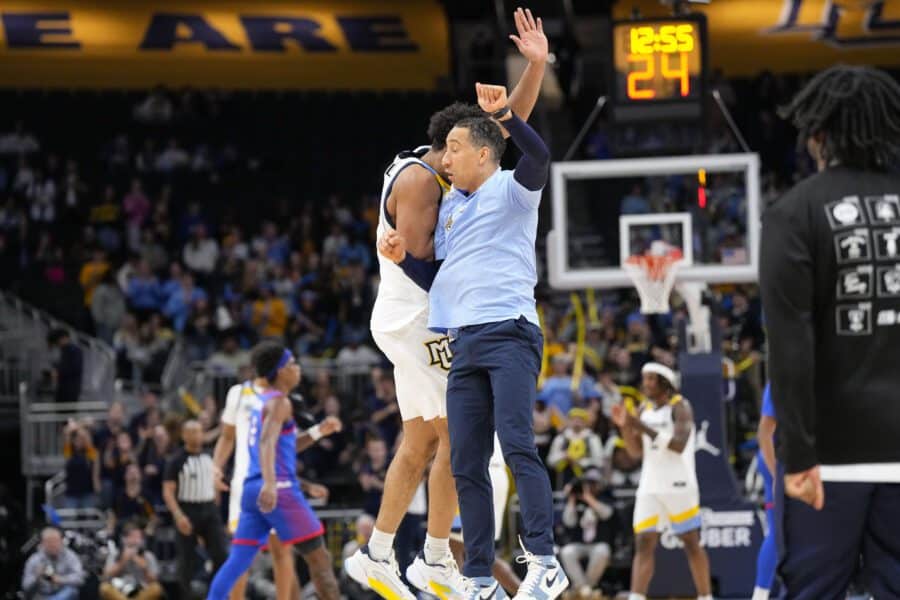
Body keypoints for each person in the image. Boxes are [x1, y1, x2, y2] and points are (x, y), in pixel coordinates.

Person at [345, 8, 549, 599]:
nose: (481, 157)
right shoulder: (418, 183)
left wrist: (533, 65)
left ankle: (380, 554)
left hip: (412, 318)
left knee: (423, 439)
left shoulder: (452, 168)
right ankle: (434, 557)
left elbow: (508, 130)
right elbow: (431, 271)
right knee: (466, 441)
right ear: (448, 150)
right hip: (417, 316)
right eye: (468, 147)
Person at [378, 81, 566, 599]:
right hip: (465, 342)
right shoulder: (452, 210)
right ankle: (479, 575)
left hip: (510, 332)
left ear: (484, 154)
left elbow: (539, 151)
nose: (447, 159)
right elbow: (436, 275)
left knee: (516, 443)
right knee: (465, 461)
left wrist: (506, 111)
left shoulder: (513, 188)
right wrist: (402, 259)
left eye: (456, 149)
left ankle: (545, 562)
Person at [759, 65, 900, 599]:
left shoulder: (793, 213)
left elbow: (791, 349)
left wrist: (798, 458)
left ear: (817, 134)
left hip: (831, 456)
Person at [207, 342, 340, 600]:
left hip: (252, 487)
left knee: (241, 559)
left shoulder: (270, 402)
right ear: (279, 370)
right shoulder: (274, 401)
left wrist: (317, 432)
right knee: (319, 557)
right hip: (274, 487)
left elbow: (278, 446)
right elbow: (263, 443)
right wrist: (268, 482)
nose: (298, 368)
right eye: (292, 364)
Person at [610, 362, 712, 600]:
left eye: (650, 379)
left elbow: (678, 445)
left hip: (679, 484)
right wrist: (625, 427)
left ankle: (706, 597)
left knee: (690, 542)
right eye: (644, 379)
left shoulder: (681, 406)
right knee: (643, 542)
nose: (645, 384)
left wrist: (640, 426)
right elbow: (635, 453)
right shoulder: (644, 409)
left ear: (665, 383)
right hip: (650, 484)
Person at [163, 420, 228, 599]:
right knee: (186, 561)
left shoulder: (210, 456)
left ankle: (217, 595)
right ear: (184, 435)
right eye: (191, 432)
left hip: (209, 510)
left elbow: (215, 482)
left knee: (221, 555)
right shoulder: (176, 460)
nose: (196, 435)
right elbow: (168, 491)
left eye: (199, 432)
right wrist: (178, 516)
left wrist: (216, 498)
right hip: (187, 510)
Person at [449, 435, 522, 596]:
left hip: (476, 474)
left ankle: (463, 596)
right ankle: (526, 595)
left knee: (454, 544)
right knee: (479, 552)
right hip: (495, 473)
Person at [559, 469, 617, 599]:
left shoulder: (605, 497)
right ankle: (584, 587)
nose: (590, 486)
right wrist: (571, 500)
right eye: (587, 483)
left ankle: (587, 587)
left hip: (598, 543)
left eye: (593, 483)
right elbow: (569, 522)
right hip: (579, 543)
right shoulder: (575, 498)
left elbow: (606, 514)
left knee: (602, 551)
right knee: (567, 552)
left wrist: (589, 499)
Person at [753, 383, 777, 600]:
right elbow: (765, 431)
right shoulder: (785, 371)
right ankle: (760, 595)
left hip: (809, 457)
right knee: (778, 533)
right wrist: (776, 472)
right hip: (778, 458)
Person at [99, 523, 163, 600]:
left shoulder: (148, 555)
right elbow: (106, 577)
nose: (135, 540)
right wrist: (122, 561)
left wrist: (144, 568)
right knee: (104, 588)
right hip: (120, 591)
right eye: (132, 537)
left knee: (156, 588)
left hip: (142, 592)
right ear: (124, 539)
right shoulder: (115, 554)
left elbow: (154, 580)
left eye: (138, 537)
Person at [21, 527, 85, 600]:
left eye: (56, 541)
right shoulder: (34, 559)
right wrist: (37, 577)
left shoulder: (70, 555)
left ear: (61, 541)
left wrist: (60, 579)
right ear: (42, 543)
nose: (53, 545)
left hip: (63, 594)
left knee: (72, 591)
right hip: (42, 595)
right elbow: (25, 586)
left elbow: (80, 578)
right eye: (49, 542)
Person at [47, 328, 83, 404]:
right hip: (61, 389)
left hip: (71, 389)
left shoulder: (74, 350)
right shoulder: (62, 351)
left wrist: (58, 372)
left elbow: (75, 368)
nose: (59, 343)